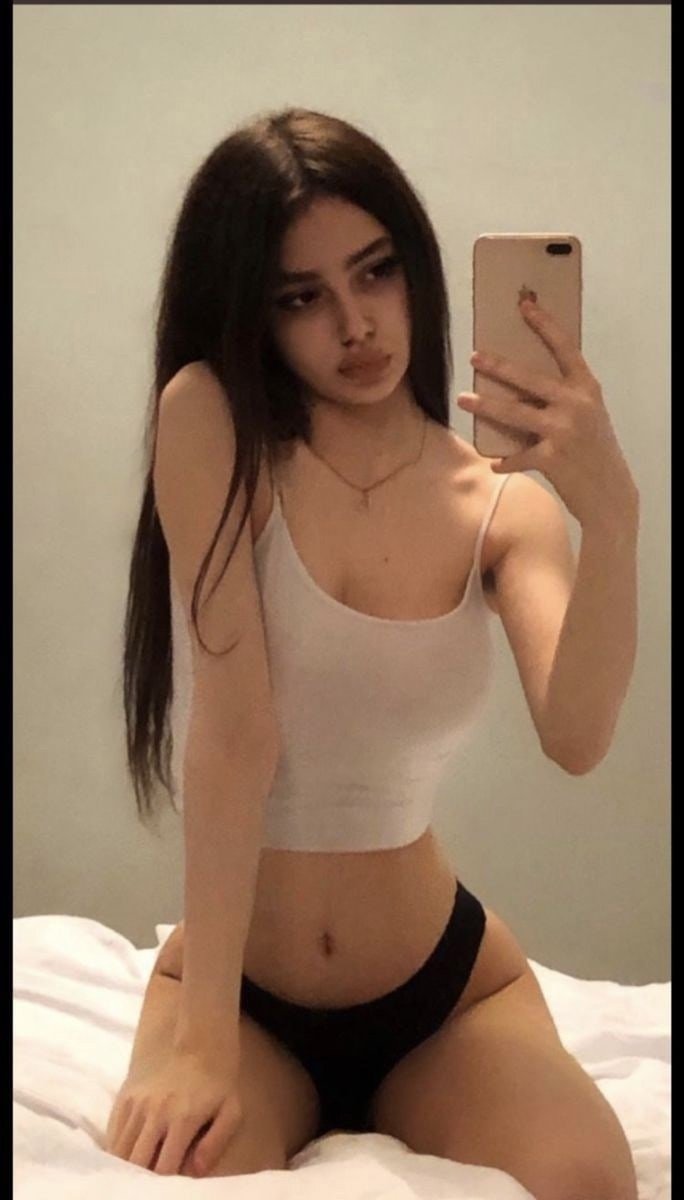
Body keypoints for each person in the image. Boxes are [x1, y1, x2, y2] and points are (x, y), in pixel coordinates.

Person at [105, 107, 640, 1197]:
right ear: (250, 311)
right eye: (301, 297)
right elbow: (235, 737)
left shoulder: (501, 507)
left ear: (417, 272)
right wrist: (203, 1042)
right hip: (243, 993)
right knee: (184, 1180)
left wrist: (616, 516)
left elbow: (579, 737)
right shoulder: (213, 425)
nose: (355, 325)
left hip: (443, 994)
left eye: (376, 272)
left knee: (590, 1181)